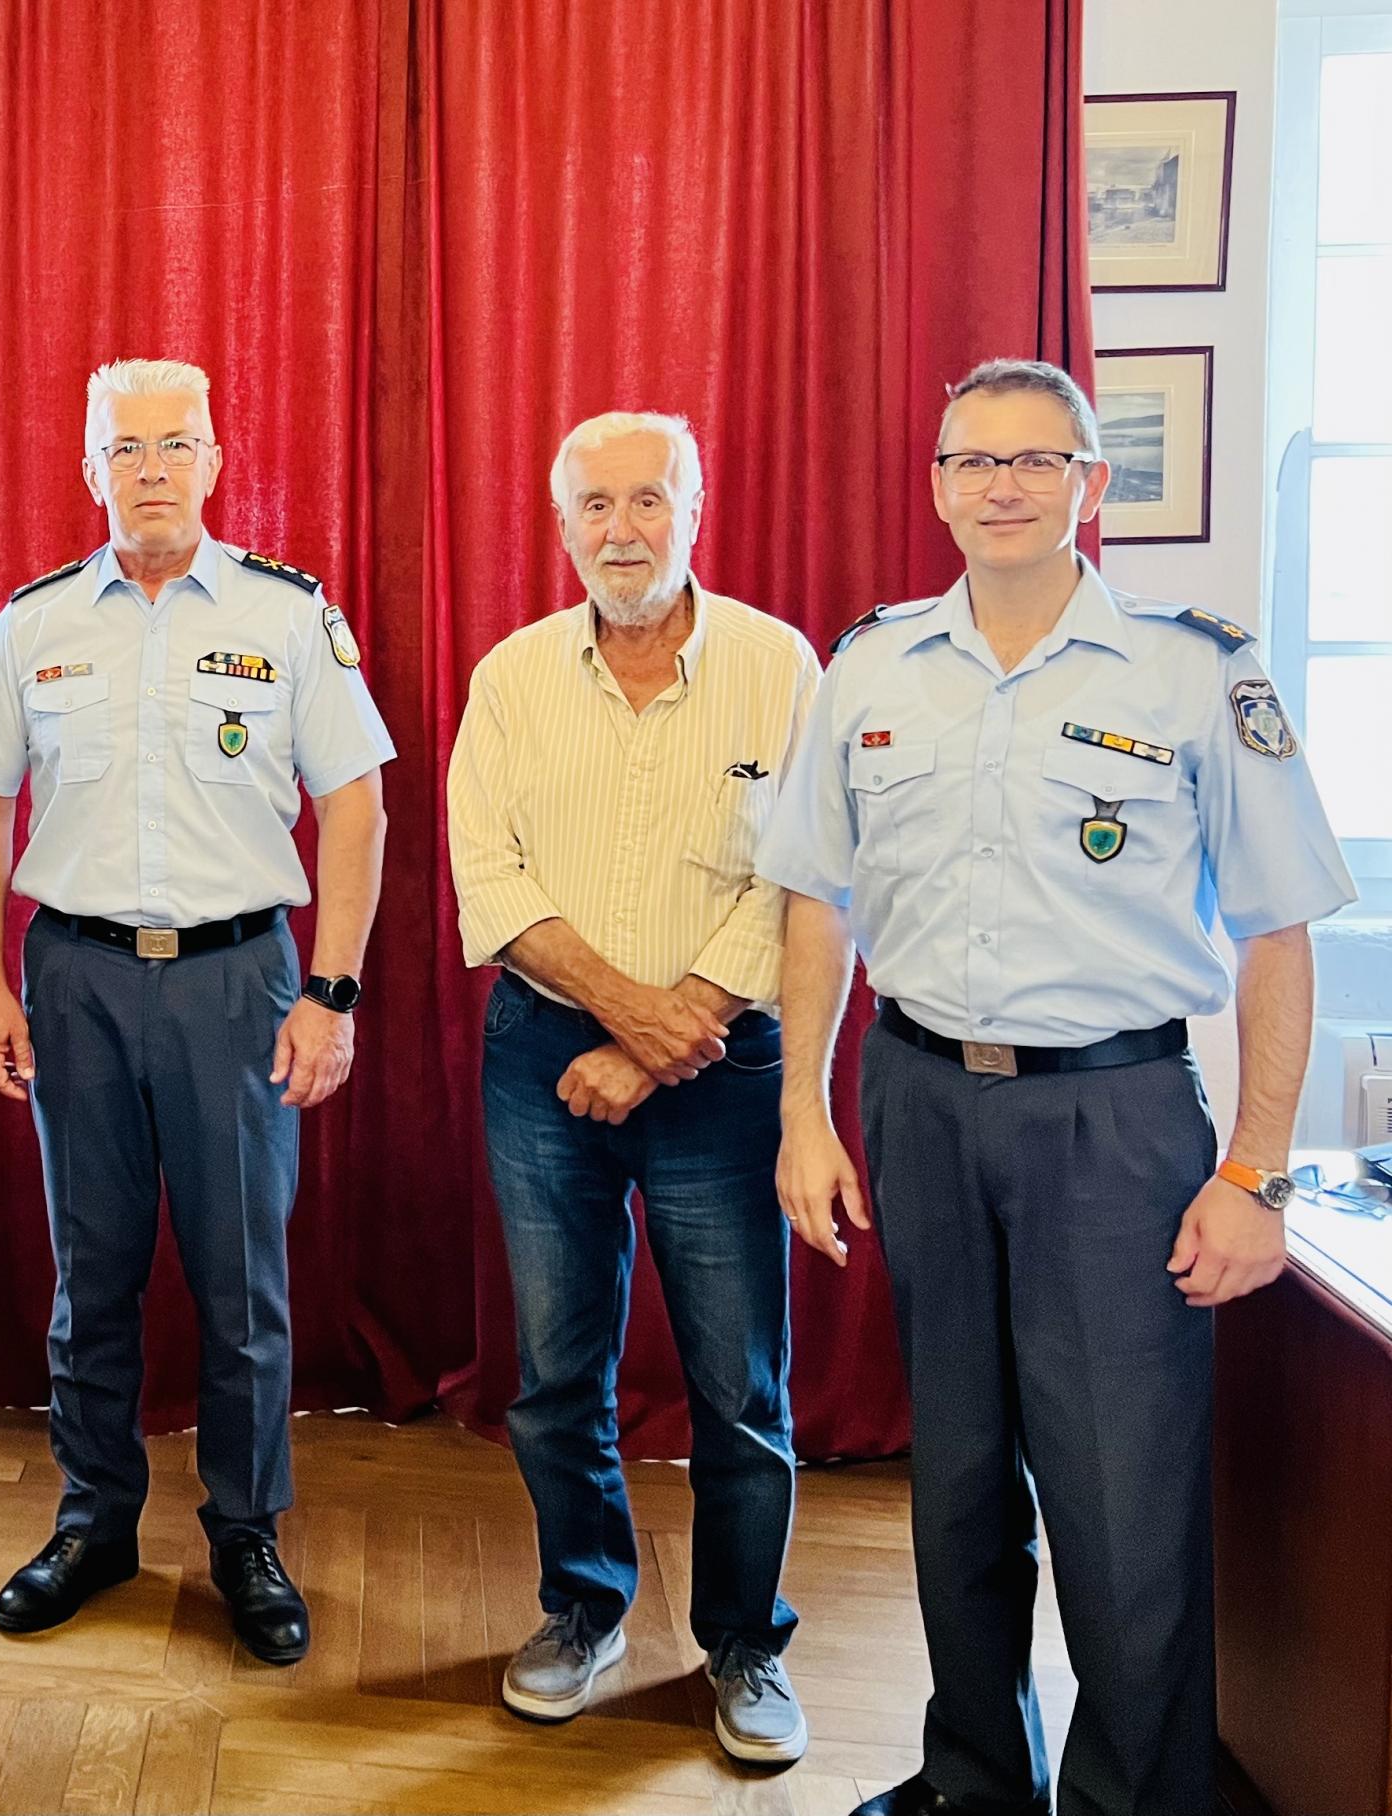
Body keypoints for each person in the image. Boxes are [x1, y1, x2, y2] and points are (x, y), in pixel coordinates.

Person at [760, 359, 1355, 1816]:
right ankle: (974, 1776)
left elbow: (1279, 930)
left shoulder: (1196, 671)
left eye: (1039, 460)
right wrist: (803, 1111)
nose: (1005, 486)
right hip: (919, 1098)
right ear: (938, 486)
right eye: (975, 460)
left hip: (1113, 1120)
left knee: (1120, 1498)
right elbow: (817, 901)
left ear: (1092, 485)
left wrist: (1257, 1170)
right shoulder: (870, 667)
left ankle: (1136, 1797)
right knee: (958, 1477)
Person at [0, 356, 393, 1666]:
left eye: (174, 444)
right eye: (125, 448)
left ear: (214, 461)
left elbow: (355, 803)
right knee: (92, 1277)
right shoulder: (34, 622)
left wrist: (331, 990)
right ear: (91, 468)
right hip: (74, 979)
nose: (150, 470)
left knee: (242, 1283)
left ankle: (246, 1532)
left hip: (236, 982)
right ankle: (95, 1521)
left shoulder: (287, 616)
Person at [447, 412, 819, 1761]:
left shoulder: (780, 668)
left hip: (727, 1068)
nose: (622, 529)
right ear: (562, 527)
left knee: (739, 1385)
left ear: (694, 510)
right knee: (558, 1371)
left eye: (648, 500)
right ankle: (584, 1606)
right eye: (595, 505)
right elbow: (488, 875)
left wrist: (673, 1029)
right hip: (544, 1059)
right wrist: (624, 1014)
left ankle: (744, 1643)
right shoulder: (511, 677)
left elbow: (802, 878)